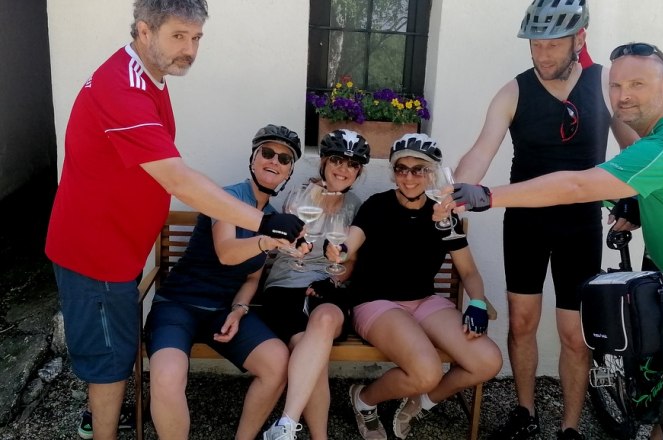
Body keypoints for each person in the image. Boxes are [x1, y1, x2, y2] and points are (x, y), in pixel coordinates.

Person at [450, 42, 663, 436]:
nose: (623, 96)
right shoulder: (660, 133)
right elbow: (650, 184)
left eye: (637, 84)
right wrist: (633, 205)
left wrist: (488, 195)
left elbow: (576, 184)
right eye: (617, 86)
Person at [45, 2, 304, 439]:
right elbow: (179, 179)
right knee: (109, 364)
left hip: (118, 255)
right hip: (95, 256)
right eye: (179, 36)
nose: (190, 49)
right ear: (145, 31)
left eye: (197, 38)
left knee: (116, 357)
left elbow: (165, 169)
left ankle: (100, 420)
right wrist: (263, 224)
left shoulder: (152, 79)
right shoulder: (122, 89)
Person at [452, 1, 638, 438]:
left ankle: (570, 428)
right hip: (525, 224)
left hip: (580, 226)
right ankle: (525, 413)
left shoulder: (601, 83)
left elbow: (633, 147)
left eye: (553, 45)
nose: (543, 55)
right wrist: (457, 189)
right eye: (536, 45)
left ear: (580, 39)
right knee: (521, 323)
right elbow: (482, 149)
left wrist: (637, 200)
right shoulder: (514, 91)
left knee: (574, 335)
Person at [327, 133, 503, 440]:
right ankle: (364, 400)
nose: (409, 177)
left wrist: (476, 301)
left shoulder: (444, 216)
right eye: (401, 169)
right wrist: (339, 251)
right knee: (426, 372)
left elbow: (469, 272)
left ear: (432, 172)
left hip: (424, 301)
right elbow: (350, 243)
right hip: (376, 302)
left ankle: (421, 402)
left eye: (418, 169)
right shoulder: (377, 206)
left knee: (487, 362)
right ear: (393, 172)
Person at [143, 124, 304, 439]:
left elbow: (253, 275)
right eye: (267, 153)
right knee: (166, 378)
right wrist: (267, 240)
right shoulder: (228, 198)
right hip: (178, 304)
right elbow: (227, 252)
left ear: (288, 172)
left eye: (284, 159)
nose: (274, 161)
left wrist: (240, 308)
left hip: (222, 311)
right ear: (253, 159)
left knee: (277, 364)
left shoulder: (273, 215)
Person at [257, 129, 371, 440]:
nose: (343, 169)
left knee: (324, 321)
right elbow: (282, 243)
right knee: (310, 352)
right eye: (337, 160)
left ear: (359, 171)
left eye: (352, 164)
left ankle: (285, 425)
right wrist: (295, 247)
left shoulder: (357, 206)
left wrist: (334, 278)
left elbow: (351, 264)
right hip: (284, 287)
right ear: (323, 161)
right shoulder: (298, 195)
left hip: (327, 289)